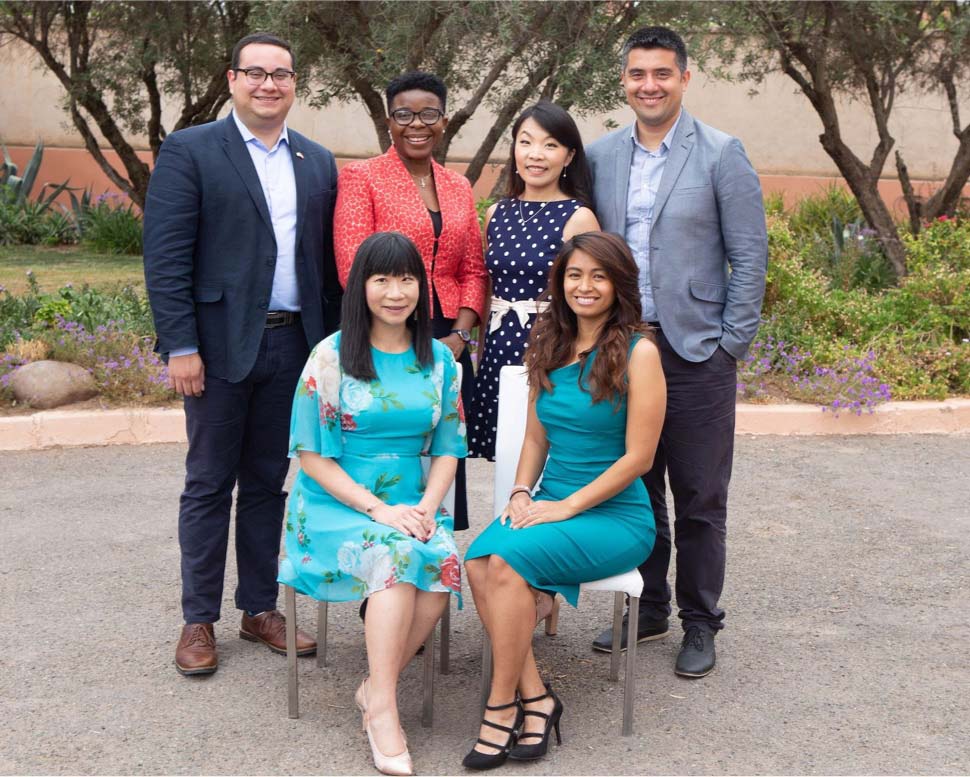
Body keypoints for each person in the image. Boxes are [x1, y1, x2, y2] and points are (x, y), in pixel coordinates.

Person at [143, 32, 342, 676]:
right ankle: (198, 620)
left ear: (294, 83)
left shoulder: (317, 160)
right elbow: (166, 256)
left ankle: (258, 608)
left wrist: (332, 353)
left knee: (267, 483)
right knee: (208, 483)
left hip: (294, 347)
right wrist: (180, 344)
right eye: (255, 73)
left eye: (280, 74)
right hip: (218, 348)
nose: (268, 84)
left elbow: (325, 266)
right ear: (232, 79)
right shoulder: (191, 150)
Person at [586, 26, 768, 677]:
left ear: (684, 78)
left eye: (662, 73)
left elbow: (749, 255)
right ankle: (652, 605)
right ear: (625, 81)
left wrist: (730, 346)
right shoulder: (602, 155)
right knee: (637, 486)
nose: (649, 85)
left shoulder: (722, 153)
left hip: (695, 357)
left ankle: (700, 620)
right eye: (637, 74)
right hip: (623, 352)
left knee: (698, 496)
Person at [462, 232, 666, 769]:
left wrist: (566, 507)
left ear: (619, 284)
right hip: (547, 500)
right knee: (479, 564)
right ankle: (538, 697)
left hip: (614, 515)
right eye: (575, 275)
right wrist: (522, 492)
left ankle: (500, 706)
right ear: (561, 283)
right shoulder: (548, 342)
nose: (585, 286)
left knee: (503, 565)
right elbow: (535, 439)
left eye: (599, 276)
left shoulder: (640, 353)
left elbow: (638, 459)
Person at [279, 231, 465, 777]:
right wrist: (378, 511)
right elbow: (311, 457)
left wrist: (429, 508)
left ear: (421, 287)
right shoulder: (330, 356)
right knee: (398, 556)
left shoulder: (439, 362)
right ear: (360, 286)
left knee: (442, 557)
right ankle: (384, 710)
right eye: (381, 278)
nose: (395, 291)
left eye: (407, 278)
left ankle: (372, 688)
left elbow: (449, 449)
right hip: (337, 506)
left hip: (411, 502)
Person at [333, 70, 489, 533]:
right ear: (388, 121)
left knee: (442, 450)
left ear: (444, 121)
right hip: (387, 334)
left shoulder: (458, 186)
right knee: (394, 447)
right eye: (404, 114)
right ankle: (382, 572)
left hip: (449, 337)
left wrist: (460, 333)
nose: (416, 124)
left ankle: (430, 567)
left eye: (429, 114)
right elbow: (352, 268)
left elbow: (473, 270)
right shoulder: (363, 178)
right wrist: (397, 332)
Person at [468, 101, 600, 461]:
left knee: (542, 453)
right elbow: (489, 287)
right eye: (525, 142)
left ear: (569, 156)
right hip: (498, 351)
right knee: (505, 456)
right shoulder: (497, 213)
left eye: (550, 145)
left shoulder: (578, 217)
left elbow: (592, 296)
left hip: (549, 349)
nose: (535, 155)